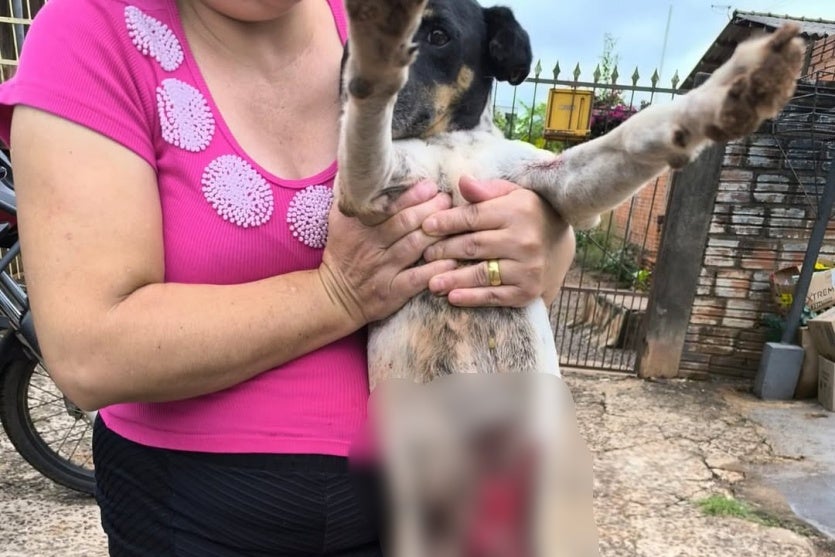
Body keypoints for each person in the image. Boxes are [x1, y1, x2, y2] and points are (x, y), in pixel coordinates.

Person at [0, 0, 576, 554]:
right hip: (196, 518)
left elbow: (479, 186)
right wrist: (335, 296)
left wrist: (545, 243)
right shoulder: (91, 33)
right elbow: (90, 355)